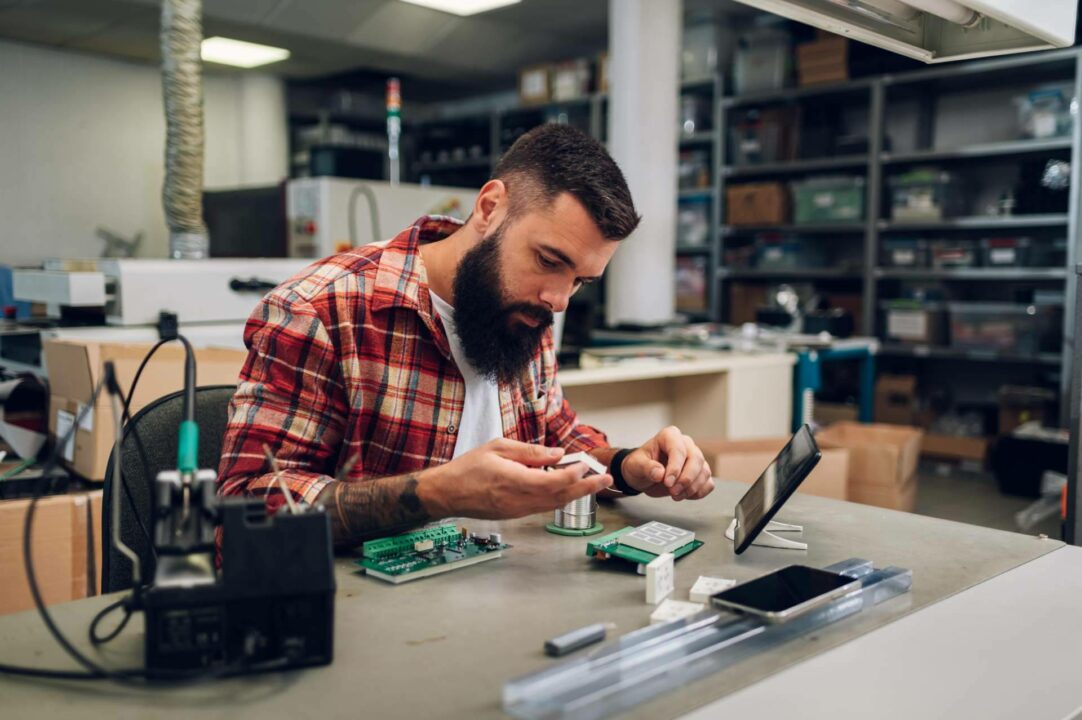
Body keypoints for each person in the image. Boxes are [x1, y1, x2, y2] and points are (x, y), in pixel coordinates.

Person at [218, 124, 715, 547]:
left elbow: (559, 442)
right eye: (548, 261)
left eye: (580, 281)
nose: (559, 299)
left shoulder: (526, 309)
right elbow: (246, 511)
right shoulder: (321, 310)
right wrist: (437, 493)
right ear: (490, 206)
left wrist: (629, 467)